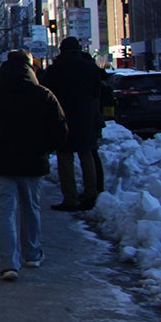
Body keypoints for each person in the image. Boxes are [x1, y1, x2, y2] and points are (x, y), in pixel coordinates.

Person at [0, 50, 68, 281]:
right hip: (33, 161)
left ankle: (9, 262)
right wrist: (45, 148)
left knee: (5, 211)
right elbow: (60, 130)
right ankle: (32, 253)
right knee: (31, 207)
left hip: (0, 161)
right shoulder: (43, 95)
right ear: (31, 67)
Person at [42, 36, 103, 211]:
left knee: (65, 157)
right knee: (86, 154)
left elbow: (47, 92)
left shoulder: (56, 69)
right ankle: (91, 193)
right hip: (85, 117)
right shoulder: (89, 67)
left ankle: (70, 197)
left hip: (63, 116)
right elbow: (97, 91)